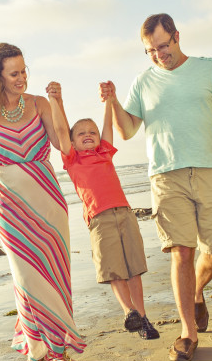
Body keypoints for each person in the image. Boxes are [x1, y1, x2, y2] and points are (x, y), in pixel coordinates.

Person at [104, 13, 212, 361]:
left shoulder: (208, 69)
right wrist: (112, 102)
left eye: (163, 46)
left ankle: (196, 291)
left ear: (177, 37)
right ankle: (188, 332)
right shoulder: (143, 81)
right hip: (166, 176)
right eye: (150, 50)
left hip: (211, 170)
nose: (158, 55)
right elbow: (127, 131)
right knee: (181, 252)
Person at [0, 43, 85, 361]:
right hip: (10, 206)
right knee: (25, 278)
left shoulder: (39, 104)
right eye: (14, 73)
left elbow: (64, 144)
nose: (22, 78)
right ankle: (35, 347)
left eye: (24, 71)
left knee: (55, 274)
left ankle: (60, 348)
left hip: (47, 201)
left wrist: (58, 103)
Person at [46, 80, 159, 340]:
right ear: (73, 142)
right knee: (114, 269)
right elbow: (62, 129)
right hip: (99, 218)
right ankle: (129, 311)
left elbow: (107, 126)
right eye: (82, 133)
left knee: (134, 269)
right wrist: (55, 99)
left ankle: (143, 318)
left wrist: (109, 100)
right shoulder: (72, 159)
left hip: (125, 214)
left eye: (92, 132)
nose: (88, 135)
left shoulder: (105, 152)